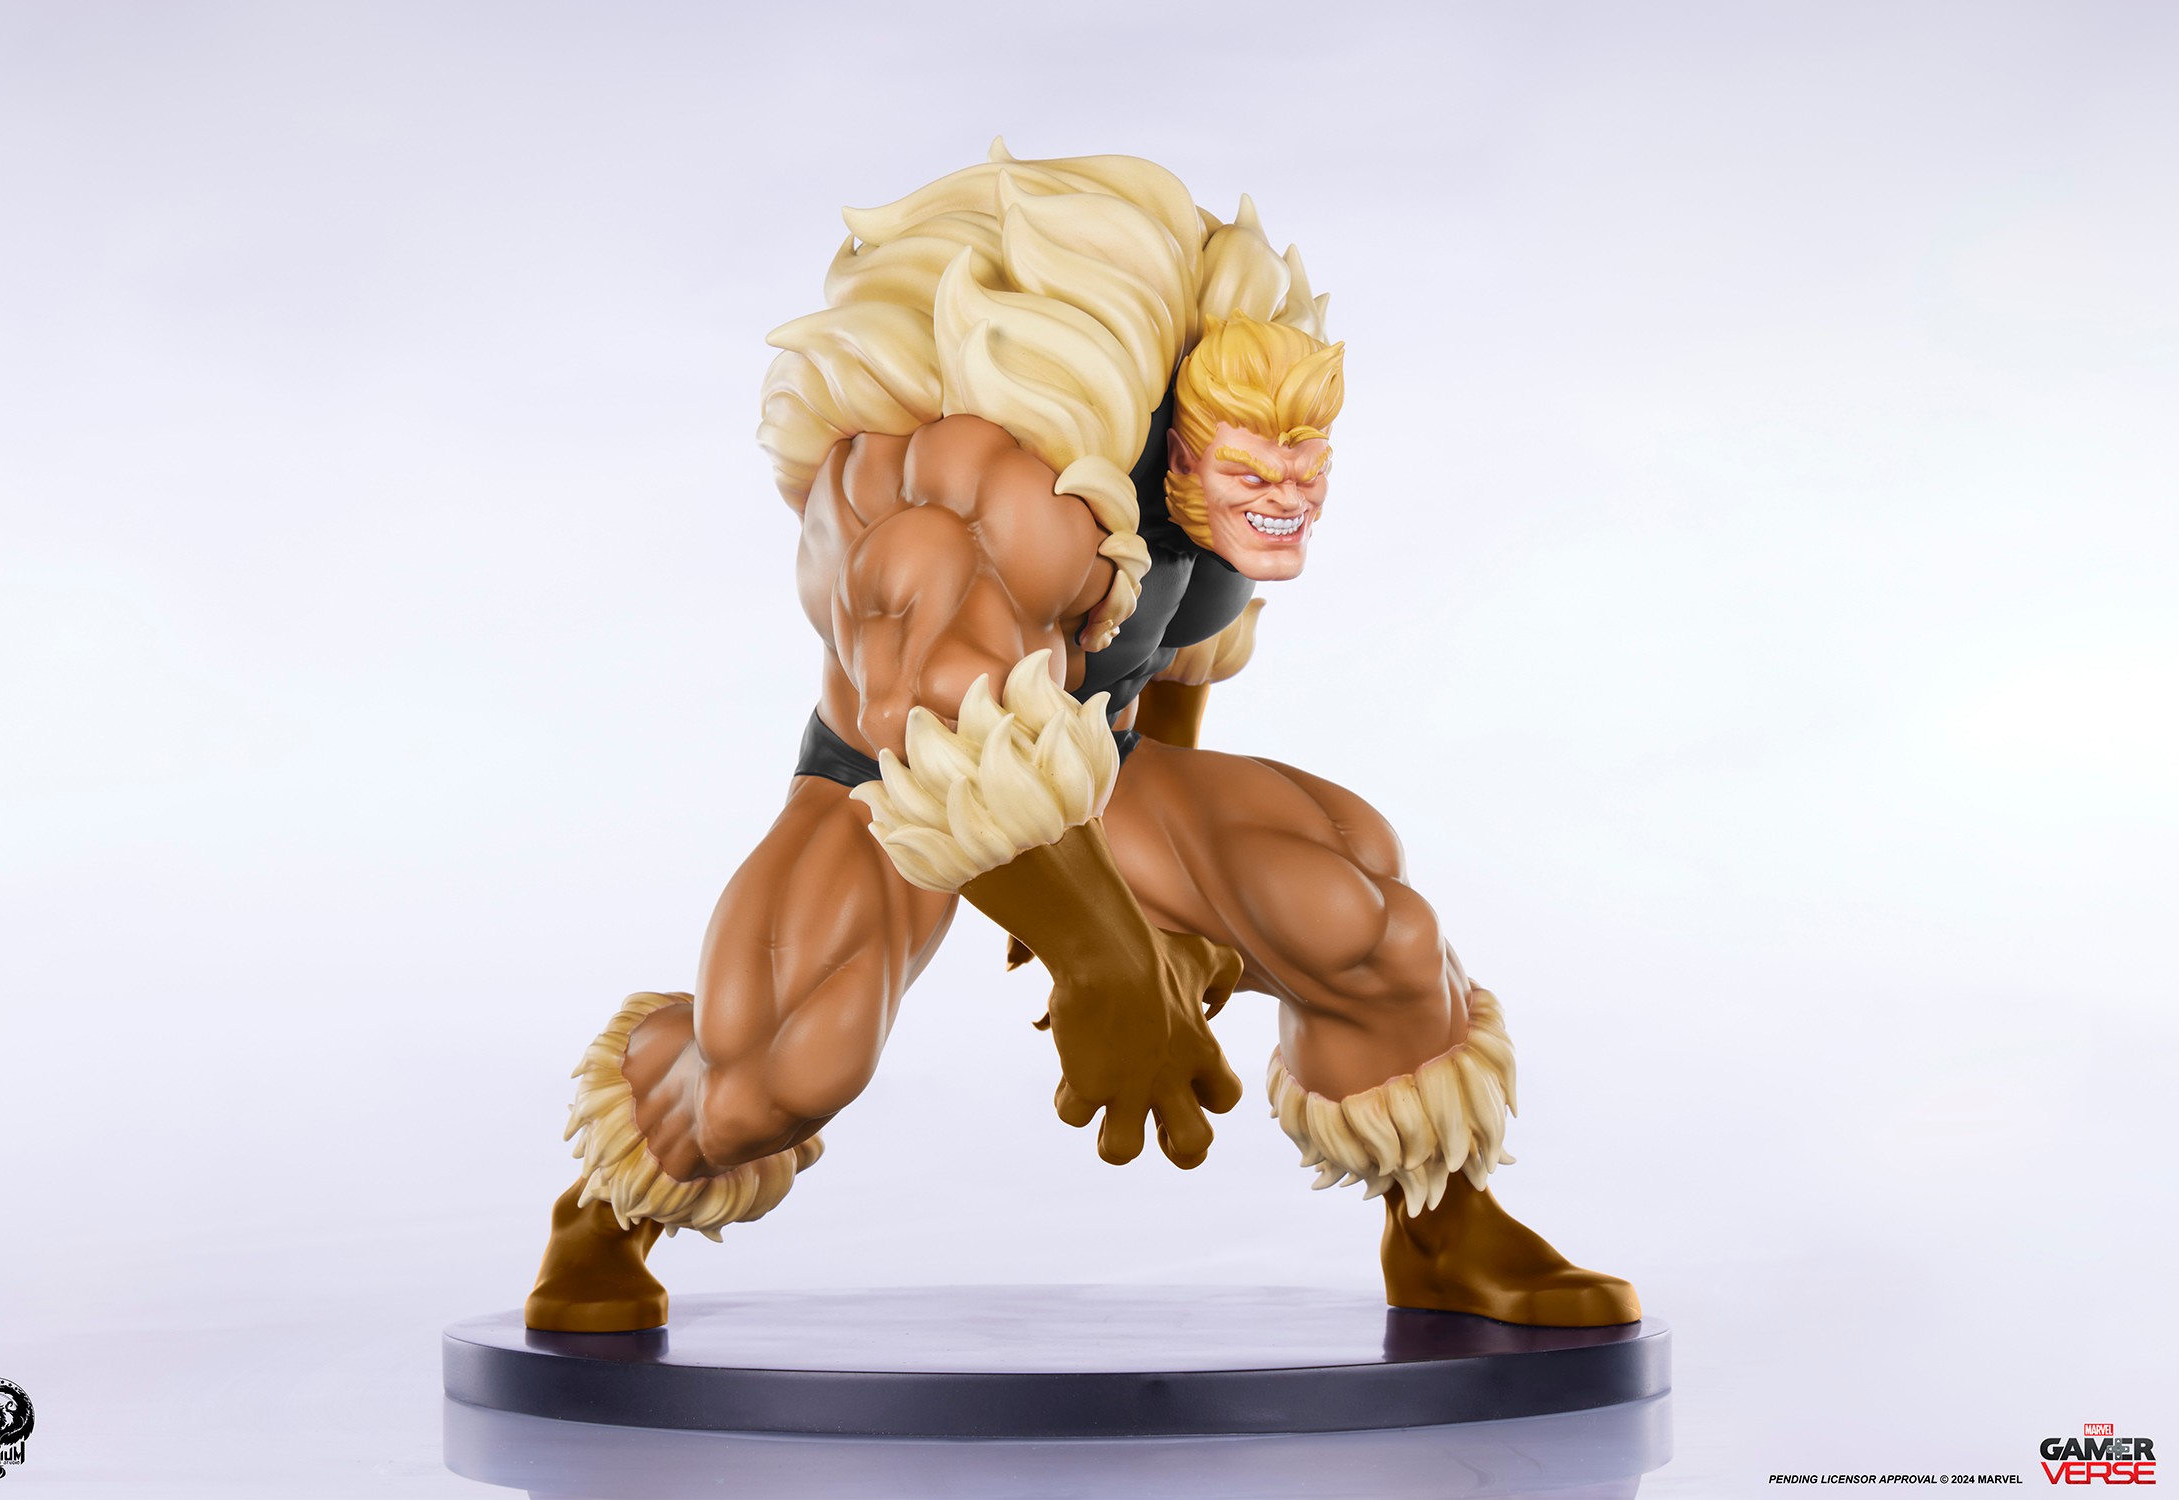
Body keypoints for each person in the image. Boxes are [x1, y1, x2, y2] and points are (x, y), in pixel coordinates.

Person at [527, 144, 1639, 1334]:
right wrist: (1102, 953)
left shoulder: (1190, 445)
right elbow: (948, 742)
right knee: (781, 1074)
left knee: (1355, 909)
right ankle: (603, 1212)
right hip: (889, 786)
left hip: (1086, 759)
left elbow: (1170, 664)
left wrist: (1164, 902)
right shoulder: (970, 491)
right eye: (1256, 467)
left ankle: (1440, 1229)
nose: (1289, 493)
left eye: (1305, 460)